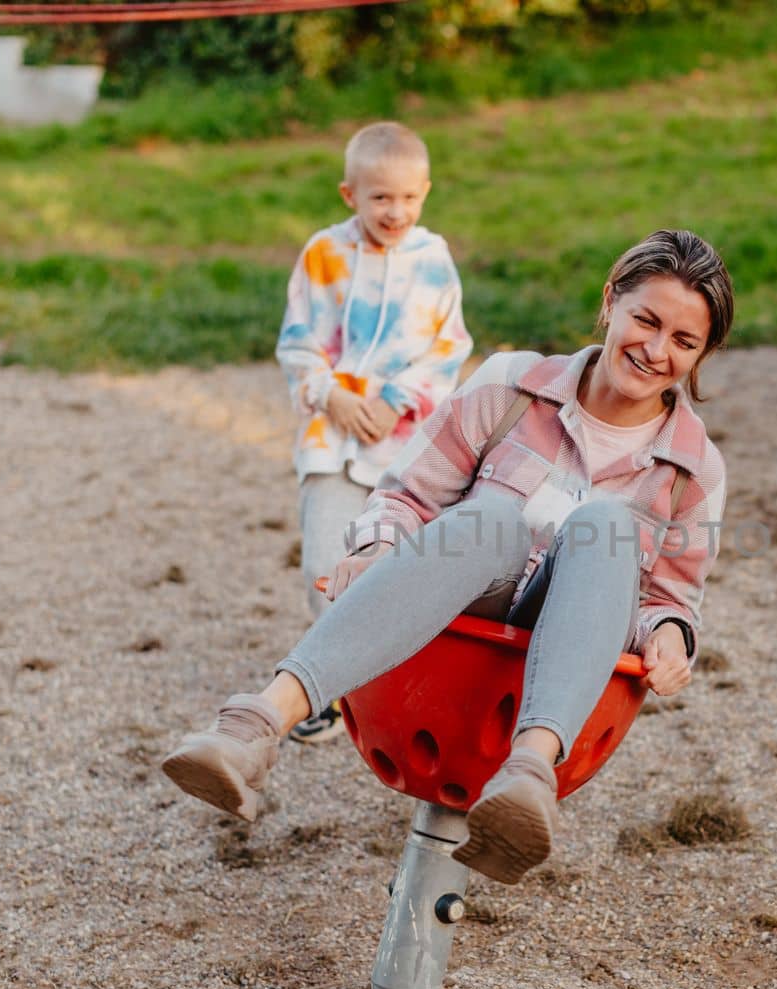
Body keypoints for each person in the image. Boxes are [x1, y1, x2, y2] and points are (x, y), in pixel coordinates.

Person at [163, 229, 732, 885]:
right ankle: (253, 727)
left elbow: (670, 600)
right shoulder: (510, 385)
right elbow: (407, 495)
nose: (656, 351)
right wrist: (376, 545)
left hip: (559, 672)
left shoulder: (695, 473)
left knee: (605, 525)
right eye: (646, 320)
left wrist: (668, 635)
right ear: (610, 302)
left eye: (684, 342)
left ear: (702, 354)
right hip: (452, 627)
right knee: (493, 518)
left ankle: (525, 779)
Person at [276, 120, 473, 743]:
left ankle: (395, 675)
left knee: (398, 563)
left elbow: (448, 348)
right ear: (350, 195)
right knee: (327, 561)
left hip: (403, 446)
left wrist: (397, 399)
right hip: (332, 441)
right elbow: (298, 342)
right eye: (380, 197)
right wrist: (327, 394)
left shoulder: (432, 260)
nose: (396, 211)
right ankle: (326, 687)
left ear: (427, 192)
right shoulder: (323, 255)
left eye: (409, 198)